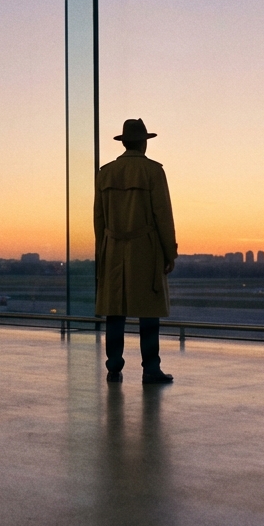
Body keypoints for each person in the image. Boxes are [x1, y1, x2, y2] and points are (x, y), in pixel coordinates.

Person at [95, 118, 177, 385]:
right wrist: (169, 252)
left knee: (114, 312)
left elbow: (99, 219)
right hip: (145, 248)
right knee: (148, 312)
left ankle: (114, 368)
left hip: (113, 247)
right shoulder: (153, 171)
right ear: (143, 142)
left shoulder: (105, 173)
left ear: (124, 142)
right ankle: (151, 368)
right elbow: (163, 215)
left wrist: (102, 252)